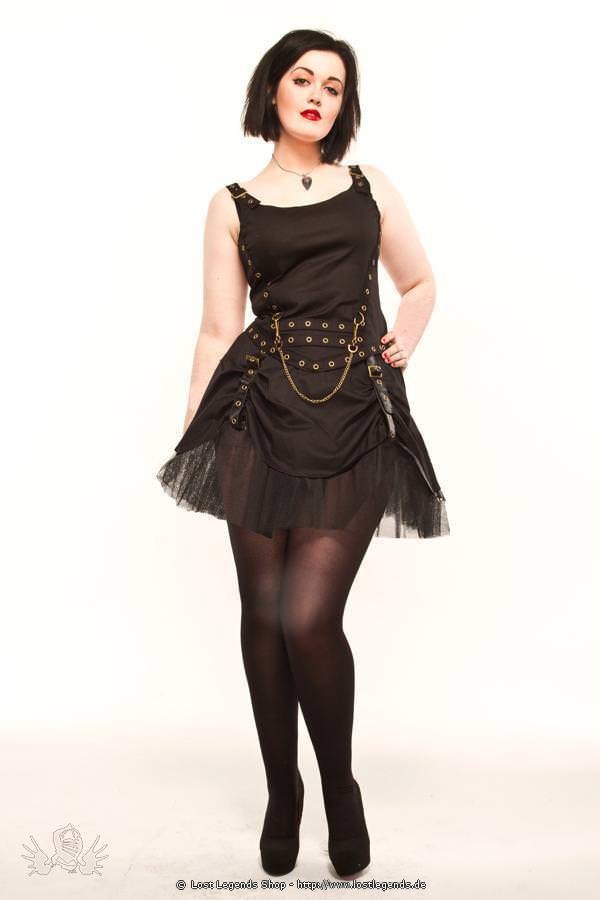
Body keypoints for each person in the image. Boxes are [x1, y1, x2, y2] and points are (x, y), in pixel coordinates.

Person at [156, 28, 450, 879]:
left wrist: (408, 334)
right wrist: (196, 433)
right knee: (262, 613)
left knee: (308, 617)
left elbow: (420, 282)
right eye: (303, 78)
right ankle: (281, 791)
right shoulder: (231, 204)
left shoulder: (370, 186)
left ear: (343, 104)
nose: (317, 94)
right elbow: (218, 327)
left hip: (354, 411)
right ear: (273, 90)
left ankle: (339, 787)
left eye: (333, 85)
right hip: (253, 413)